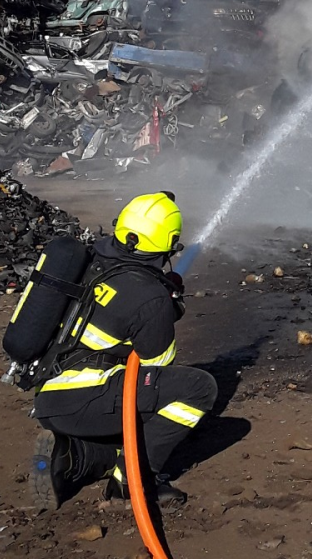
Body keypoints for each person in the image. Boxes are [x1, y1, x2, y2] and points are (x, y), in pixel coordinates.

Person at [30, 191, 216, 510]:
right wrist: (165, 311)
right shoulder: (150, 297)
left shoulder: (89, 263)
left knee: (131, 439)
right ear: (168, 244)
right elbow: (158, 367)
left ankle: (70, 457)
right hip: (88, 399)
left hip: (49, 399)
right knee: (198, 389)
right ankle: (132, 482)